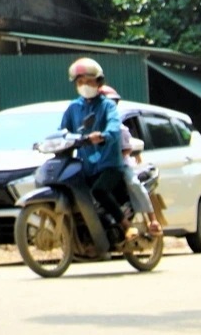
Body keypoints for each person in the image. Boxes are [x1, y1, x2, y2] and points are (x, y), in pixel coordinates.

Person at [60, 59, 158, 237]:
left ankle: (126, 224)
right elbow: (63, 130)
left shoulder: (107, 106)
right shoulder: (74, 108)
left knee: (99, 190)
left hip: (110, 165)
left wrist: (103, 135)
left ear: (99, 83)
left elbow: (114, 128)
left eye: (89, 81)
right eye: (80, 82)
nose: (84, 86)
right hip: (86, 165)